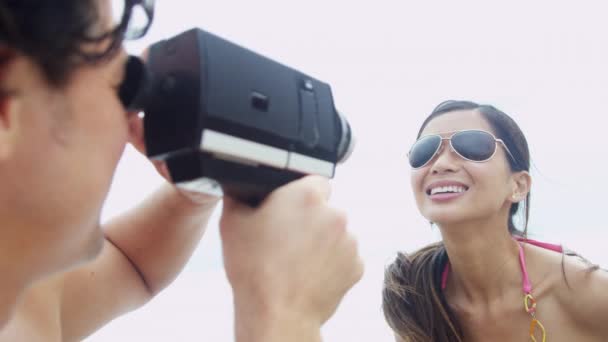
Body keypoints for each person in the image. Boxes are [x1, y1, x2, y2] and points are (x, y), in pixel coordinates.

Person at [0, 1, 363, 341]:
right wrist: (284, 314)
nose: (131, 118)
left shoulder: (25, 292)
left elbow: (132, 266)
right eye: (123, 86)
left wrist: (195, 191)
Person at [382, 100, 608, 341]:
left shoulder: (587, 292)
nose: (441, 164)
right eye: (424, 152)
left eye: (472, 147)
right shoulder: (415, 297)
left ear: (519, 186)